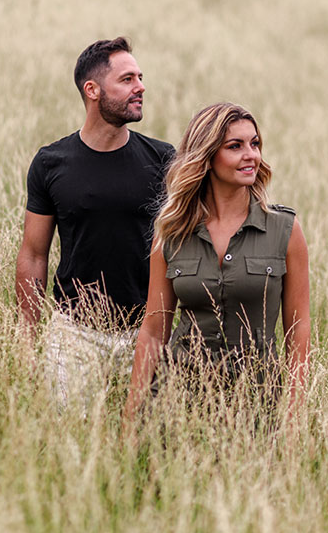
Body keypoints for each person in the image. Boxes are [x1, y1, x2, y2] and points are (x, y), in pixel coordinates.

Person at [123, 102, 310, 423]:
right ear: (206, 157)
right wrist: (132, 417)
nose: (251, 155)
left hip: (257, 402)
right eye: (235, 146)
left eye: (255, 144)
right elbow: (154, 332)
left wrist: (294, 417)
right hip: (178, 401)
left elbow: (298, 330)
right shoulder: (171, 233)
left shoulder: (285, 229)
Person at [16, 37, 174, 407]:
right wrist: (27, 337)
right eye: (128, 79)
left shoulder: (164, 160)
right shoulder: (51, 163)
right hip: (74, 333)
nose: (141, 87)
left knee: (140, 441)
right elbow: (34, 254)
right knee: (70, 439)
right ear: (93, 90)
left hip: (145, 331)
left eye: (140, 77)